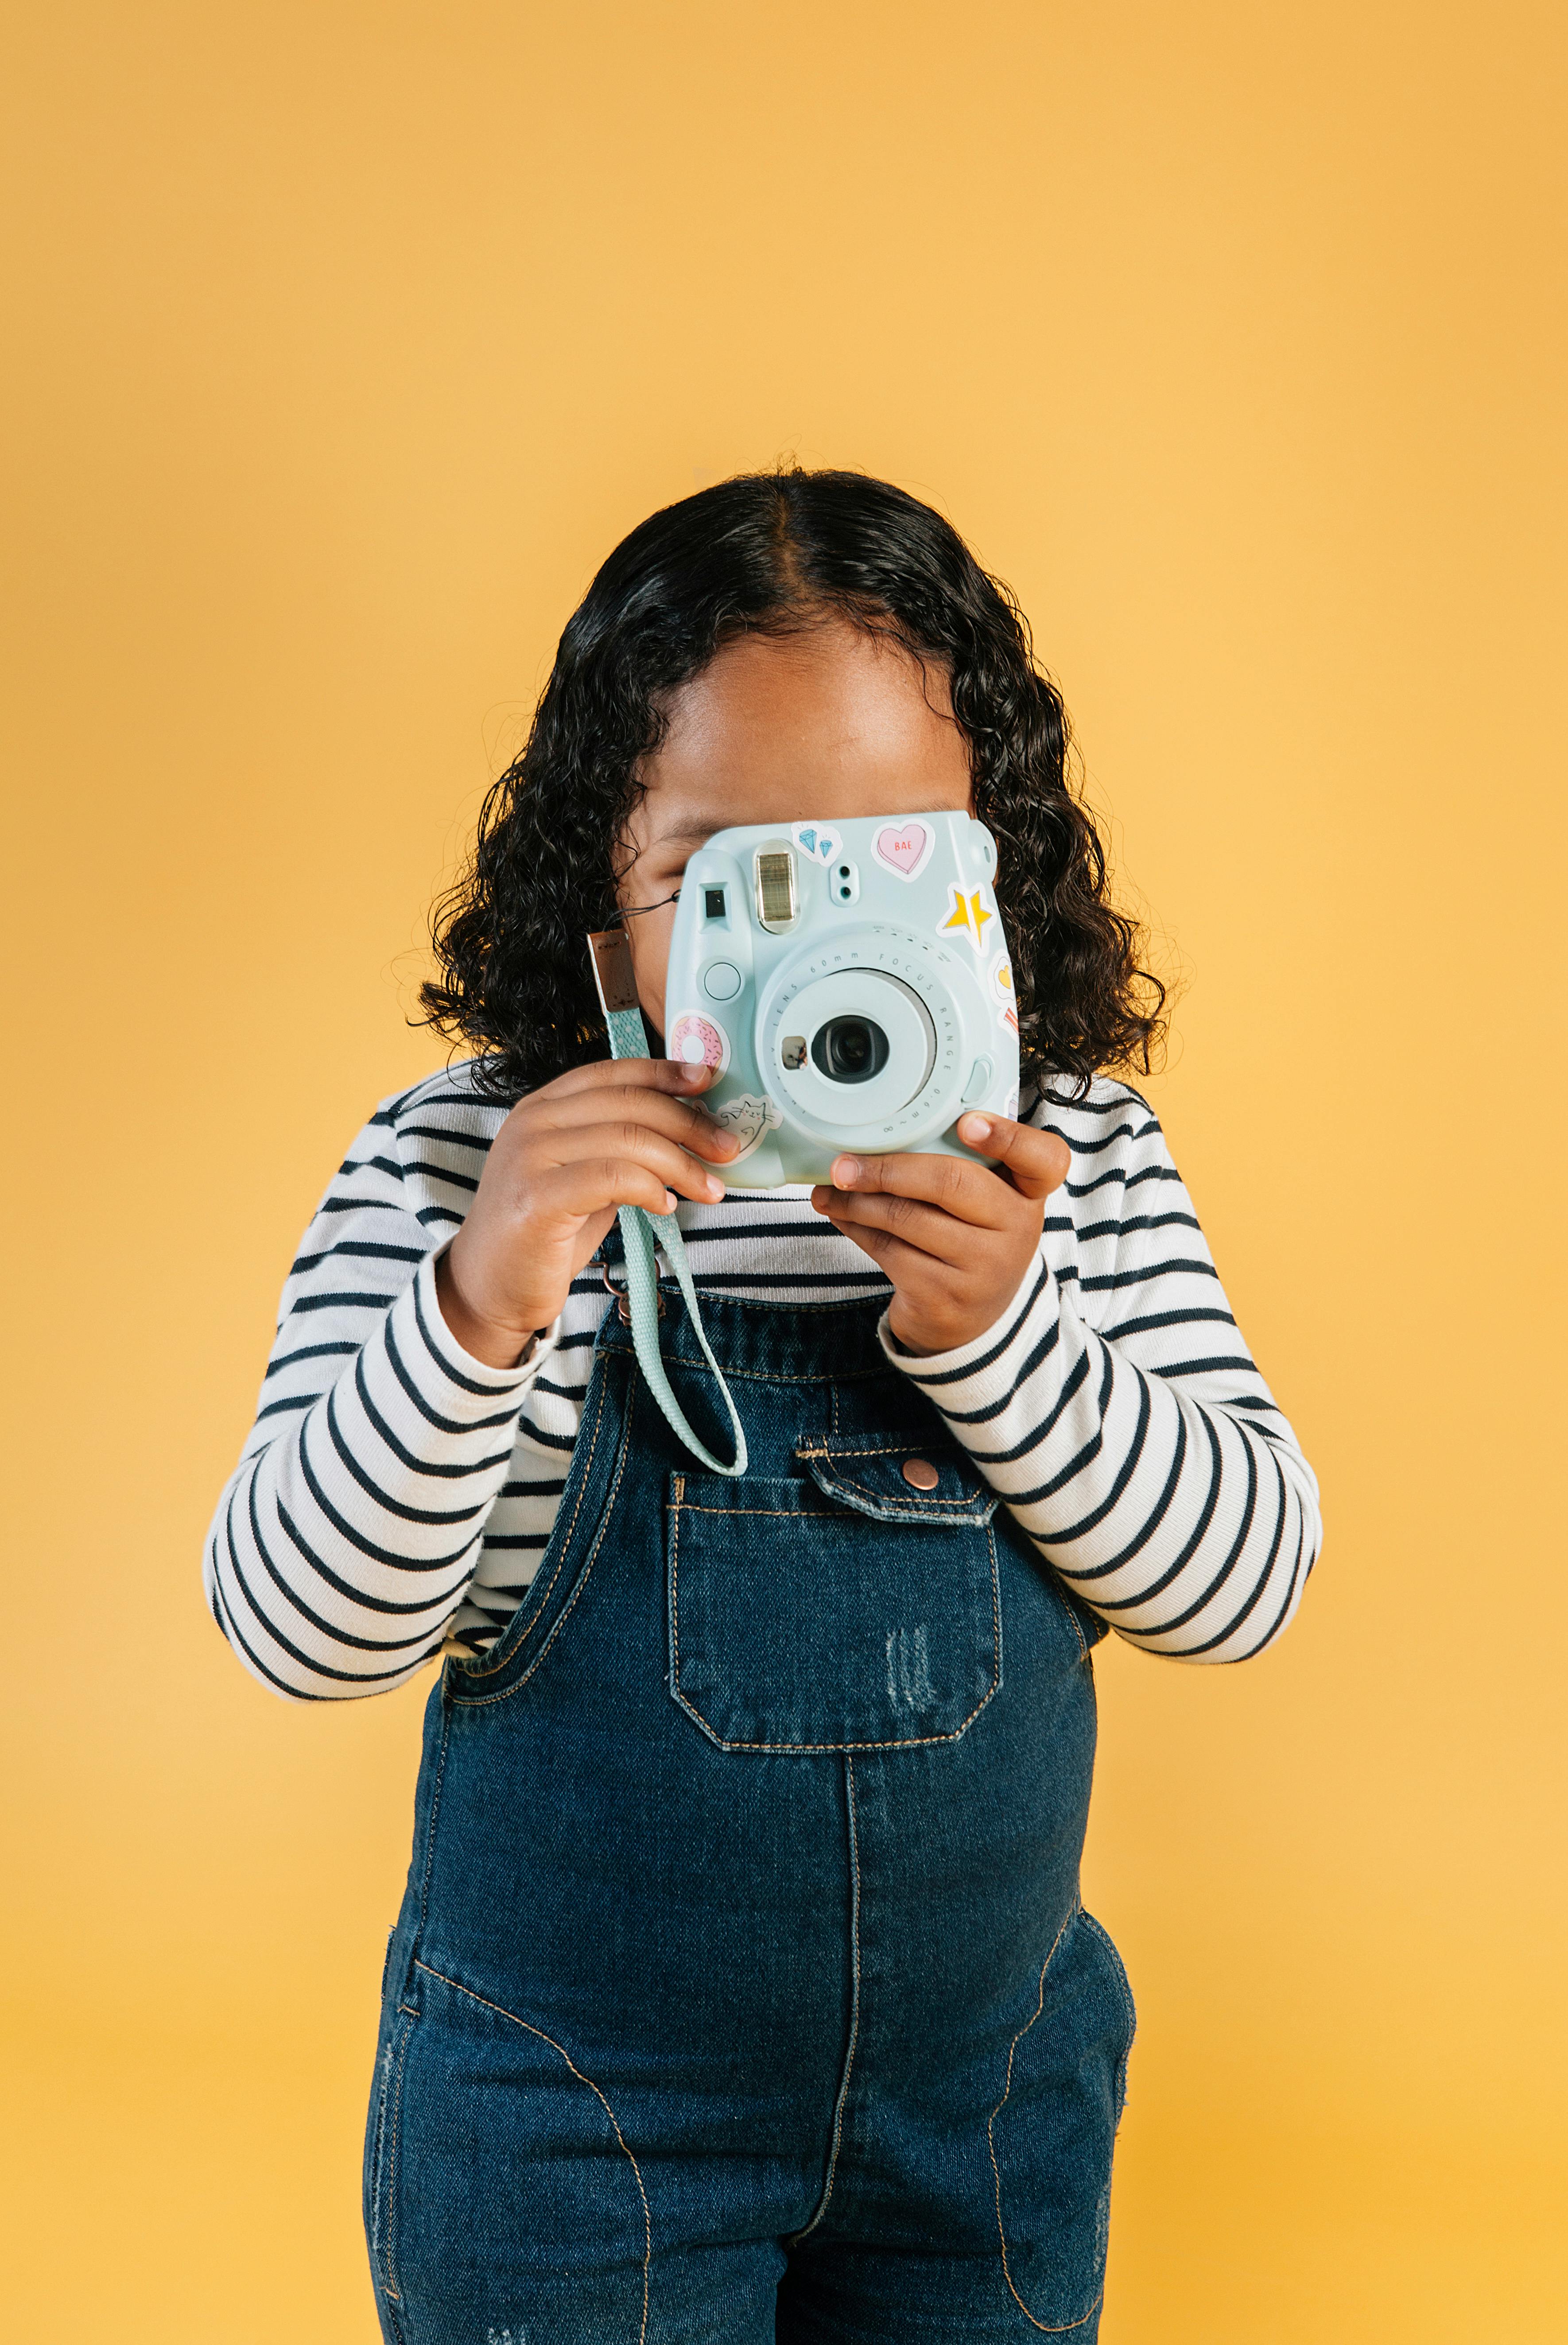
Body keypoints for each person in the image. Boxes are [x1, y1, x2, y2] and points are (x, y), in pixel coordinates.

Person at [204, 469, 1321, 2344]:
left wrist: (1004, 1333)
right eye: (728, 881)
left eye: (892, 869)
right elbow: (297, 1633)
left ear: (995, 870)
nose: (819, 959)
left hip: (982, 2122)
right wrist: (481, 1303)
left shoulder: (1080, 1164)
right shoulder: (460, 1169)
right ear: (601, 891)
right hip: (568, 2124)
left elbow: (1247, 1581)